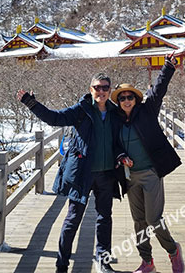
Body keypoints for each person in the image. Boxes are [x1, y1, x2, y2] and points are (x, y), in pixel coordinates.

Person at [16, 73, 123, 273]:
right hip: (83, 173)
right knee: (73, 220)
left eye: (105, 88)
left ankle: (103, 261)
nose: (101, 91)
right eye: (97, 87)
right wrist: (32, 104)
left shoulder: (115, 113)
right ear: (91, 89)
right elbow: (55, 118)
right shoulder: (81, 110)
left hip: (107, 174)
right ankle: (62, 264)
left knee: (104, 218)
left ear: (110, 90)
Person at [112, 53, 185, 273]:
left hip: (151, 173)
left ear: (136, 99)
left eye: (130, 97)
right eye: (122, 98)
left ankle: (173, 251)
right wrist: (120, 156)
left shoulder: (147, 110)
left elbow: (158, 89)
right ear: (119, 101)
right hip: (130, 177)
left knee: (154, 219)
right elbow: (113, 145)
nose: (126, 101)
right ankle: (147, 262)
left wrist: (168, 67)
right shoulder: (116, 120)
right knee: (139, 222)